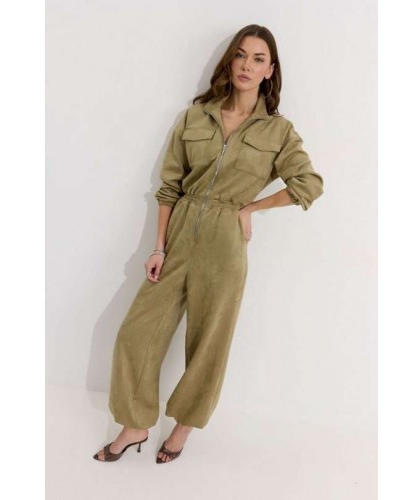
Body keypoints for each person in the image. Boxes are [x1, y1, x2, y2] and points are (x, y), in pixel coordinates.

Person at [93, 24, 324, 464]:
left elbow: (309, 184)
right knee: (135, 333)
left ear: (270, 70)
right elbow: (169, 188)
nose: (247, 65)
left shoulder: (278, 131)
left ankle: (183, 427)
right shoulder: (195, 117)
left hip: (225, 244)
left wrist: (250, 208)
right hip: (180, 232)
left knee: (208, 344)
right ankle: (136, 423)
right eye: (241, 55)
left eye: (258, 59)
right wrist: (158, 248)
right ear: (230, 61)